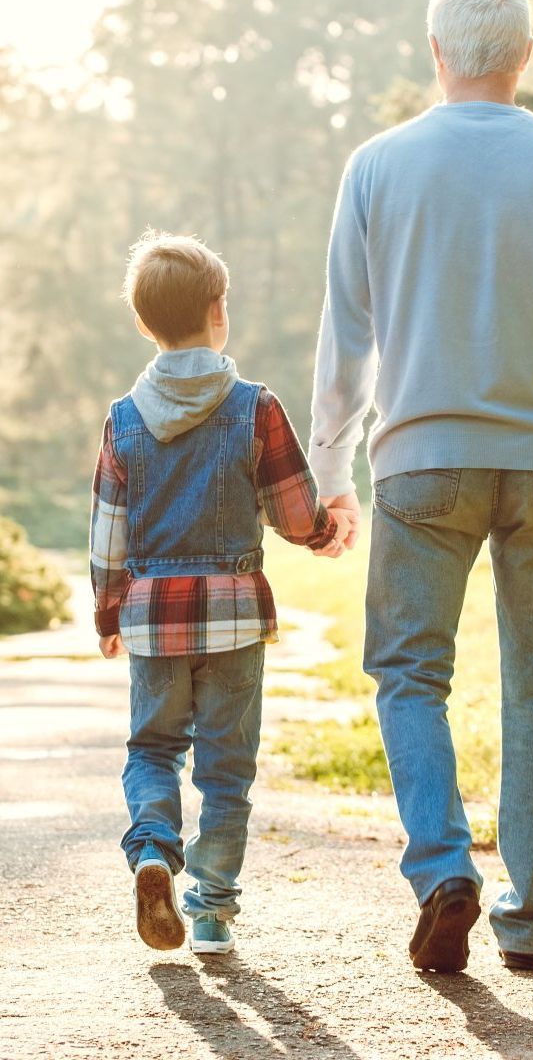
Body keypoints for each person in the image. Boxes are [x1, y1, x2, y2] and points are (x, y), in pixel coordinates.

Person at [309, 0, 533, 974]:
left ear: (436, 54)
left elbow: (348, 336)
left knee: (409, 673)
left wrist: (329, 467)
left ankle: (440, 866)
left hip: (420, 466)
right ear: (523, 58)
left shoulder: (378, 165)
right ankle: (530, 919)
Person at [90, 231, 350, 957]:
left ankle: (151, 849)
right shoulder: (254, 406)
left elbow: (107, 532)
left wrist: (109, 613)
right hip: (234, 617)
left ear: (144, 324)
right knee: (227, 770)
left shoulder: (123, 418)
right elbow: (295, 512)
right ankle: (210, 911)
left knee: (153, 749)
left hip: (151, 617)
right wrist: (330, 532)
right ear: (218, 311)